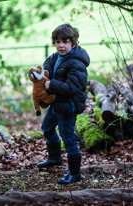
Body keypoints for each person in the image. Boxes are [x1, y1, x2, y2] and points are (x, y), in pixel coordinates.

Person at [36, 23, 90, 184]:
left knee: (68, 138)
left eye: (65, 42)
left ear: (73, 43)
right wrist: (40, 74)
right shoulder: (56, 57)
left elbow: (72, 87)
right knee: (47, 128)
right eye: (58, 41)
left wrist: (50, 85)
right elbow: (48, 66)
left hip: (68, 106)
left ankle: (75, 174)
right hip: (57, 103)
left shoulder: (77, 63)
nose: (61, 45)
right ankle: (54, 158)